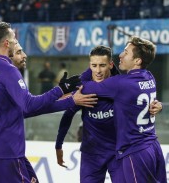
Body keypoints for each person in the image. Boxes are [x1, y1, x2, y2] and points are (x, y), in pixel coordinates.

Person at [0, 21, 97, 183]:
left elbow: (21, 109)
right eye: (14, 39)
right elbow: (29, 105)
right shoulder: (8, 70)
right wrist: (60, 89)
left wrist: (71, 101)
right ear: (6, 43)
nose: (19, 47)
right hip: (6, 151)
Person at [55, 45, 163, 183]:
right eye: (94, 66)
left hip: (117, 153)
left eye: (102, 65)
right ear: (90, 66)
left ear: (110, 65)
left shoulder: (119, 87)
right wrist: (58, 145)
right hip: (91, 154)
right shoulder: (83, 95)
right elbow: (67, 116)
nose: (98, 70)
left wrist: (159, 105)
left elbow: (142, 98)